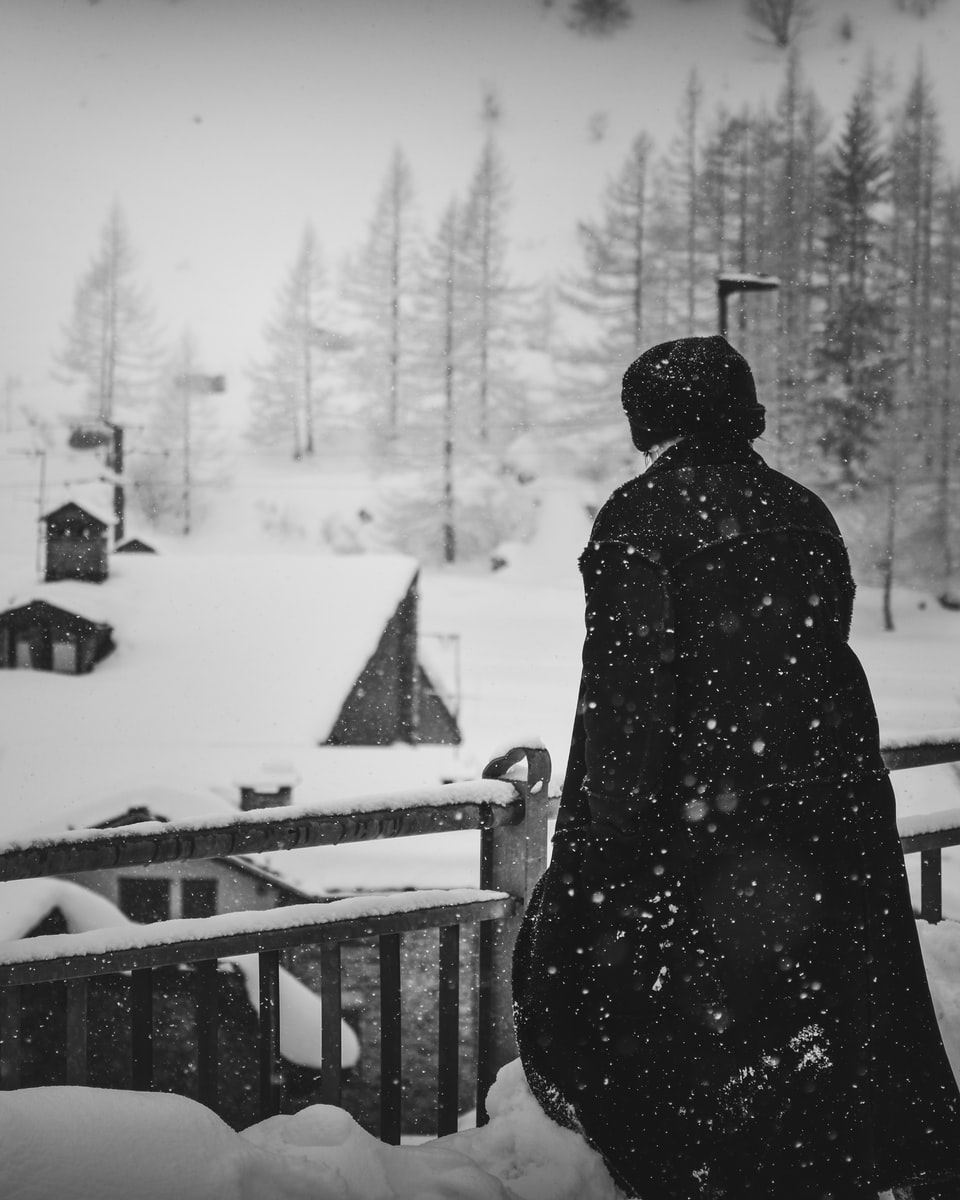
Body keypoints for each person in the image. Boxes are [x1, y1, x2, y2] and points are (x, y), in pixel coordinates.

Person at [512, 335, 960, 1200]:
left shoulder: (638, 519)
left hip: (704, 819)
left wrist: (603, 846)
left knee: (692, 1035)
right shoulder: (804, 509)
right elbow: (817, 656)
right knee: (815, 1012)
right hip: (825, 811)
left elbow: (626, 699)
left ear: (650, 417)